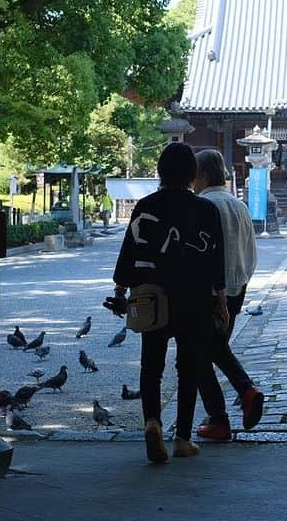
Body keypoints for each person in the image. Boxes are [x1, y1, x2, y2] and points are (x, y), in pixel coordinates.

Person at [109, 143, 230, 463]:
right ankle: (183, 438)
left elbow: (129, 252)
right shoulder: (206, 210)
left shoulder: (146, 205)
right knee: (188, 368)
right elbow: (217, 260)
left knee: (152, 365)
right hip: (194, 297)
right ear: (193, 173)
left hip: (152, 296)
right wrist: (221, 299)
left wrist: (121, 290)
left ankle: (152, 423)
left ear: (160, 172)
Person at [192, 150, 265, 439]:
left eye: (194, 174)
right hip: (236, 290)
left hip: (209, 292)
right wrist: (240, 283)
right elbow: (251, 253)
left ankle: (222, 415)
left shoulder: (202, 205)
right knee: (215, 347)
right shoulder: (239, 205)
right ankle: (244, 394)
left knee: (197, 355)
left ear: (204, 175)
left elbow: (200, 255)